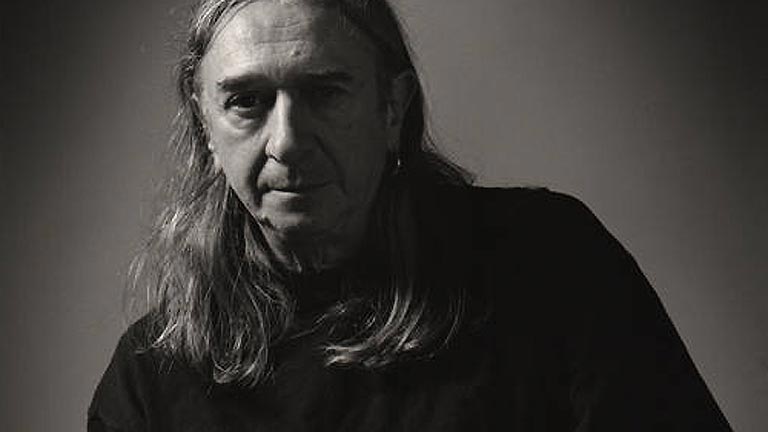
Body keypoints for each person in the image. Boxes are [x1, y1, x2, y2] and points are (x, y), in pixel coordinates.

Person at [88, 0, 731, 430]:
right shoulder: (151, 375)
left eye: (325, 92)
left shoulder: (551, 265)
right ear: (205, 124)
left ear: (392, 107)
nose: (286, 141)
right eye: (246, 101)